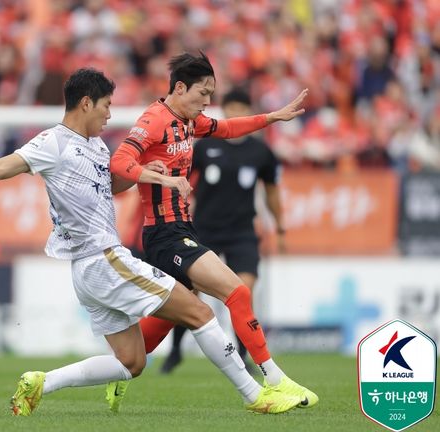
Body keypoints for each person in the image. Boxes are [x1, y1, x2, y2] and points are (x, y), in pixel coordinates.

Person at [0, 68, 302, 416]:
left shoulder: (98, 147)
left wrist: (143, 172)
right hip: (104, 258)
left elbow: (109, 188)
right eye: (106, 105)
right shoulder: (53, 142)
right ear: (86, 103)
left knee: (132, 362)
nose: (110, 114)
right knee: (200, 313)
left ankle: (41, 382)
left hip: (89, 270)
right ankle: (256, 395)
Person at [110, 52, 318, 409]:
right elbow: (119, 161)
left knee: (165, 321)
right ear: (180, 87)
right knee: (237, 293)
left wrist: (272, 118)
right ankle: (275, 379)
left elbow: (228, 128)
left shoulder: (189, 121)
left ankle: (117, 371)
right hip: (164, 234)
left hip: (181, 229)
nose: (208, 102)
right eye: (203, 93)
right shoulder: (153, 119)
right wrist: (158, 176)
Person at [159, 87, 286, 375]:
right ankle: (176, 350)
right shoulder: (205, 146)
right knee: (188, 293)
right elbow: (182, 179)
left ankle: (243, 355)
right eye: (232, 108)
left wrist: (280, 226)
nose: (236, 113)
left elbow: (272, 192)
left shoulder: (261, 153)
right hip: (204, 230)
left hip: (242, 231)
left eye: (242, 108)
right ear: (224, 111)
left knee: (243, 291)